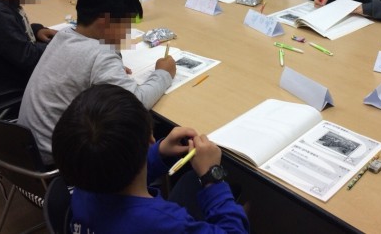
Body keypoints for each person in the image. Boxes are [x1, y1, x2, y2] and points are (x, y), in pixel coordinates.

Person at [52, 84, 249, 233]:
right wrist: (212, 177)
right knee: (245, 204)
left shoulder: (84, 182)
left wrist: (158, 152)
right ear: (150, 138)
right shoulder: (165, 222)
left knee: (190, 181)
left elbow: (115, 171)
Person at [18, 0, 175, 163]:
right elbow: (137, 102)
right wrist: (164, 73)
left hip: (26, 148)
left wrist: (109, 71)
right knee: (154, 129)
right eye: (126, 25)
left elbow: (81, 69)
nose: (126, 33)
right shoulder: (100, 55)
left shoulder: (64, 35)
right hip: (59, 159)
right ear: (104, 22)